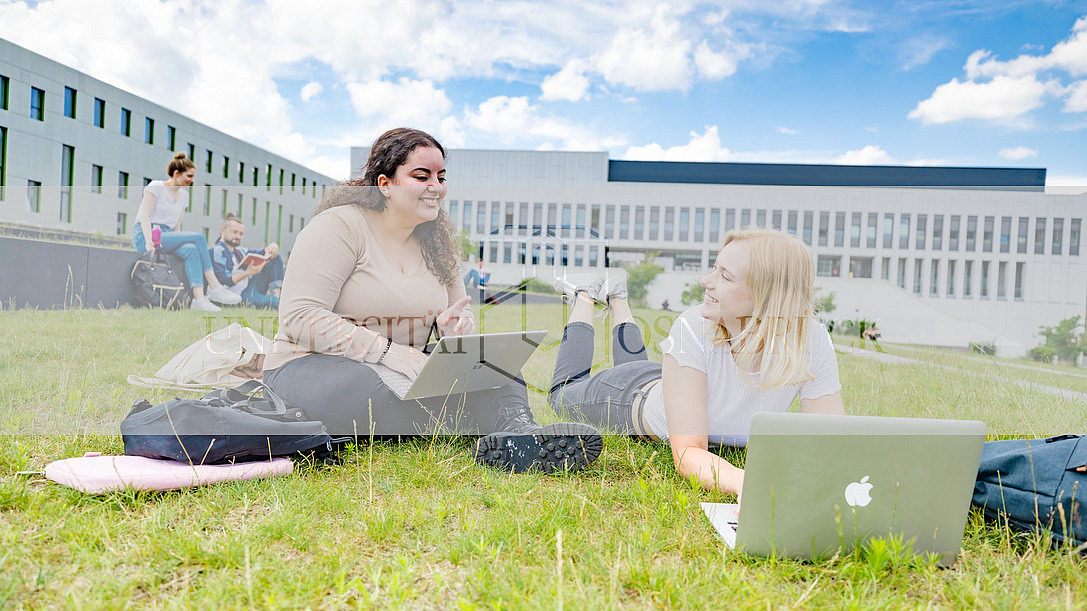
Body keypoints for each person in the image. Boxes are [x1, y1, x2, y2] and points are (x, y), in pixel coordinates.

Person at [262, 127, 602, 473]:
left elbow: (457, 323)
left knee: (497, 369)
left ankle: (520, 433)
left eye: (441, 177)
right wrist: (389, 352)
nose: (435, 186)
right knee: (362, 388)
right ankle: (471, 422)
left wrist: (454, 334)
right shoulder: (340, 226)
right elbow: (300, 316)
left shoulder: (438, 245)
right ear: (385, 184)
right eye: (421, 176)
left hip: (406, 373)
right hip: (314, 364)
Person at [548, 228, 843, 500]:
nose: (706, 281)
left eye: (724, 276)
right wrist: (750, 485)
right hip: (629, 395)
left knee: (644, 368)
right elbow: (689, 451)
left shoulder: (812, 341)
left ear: (768, 296)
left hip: (677, 384)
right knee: (561, 395)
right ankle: (584, 295)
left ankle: (618, 296)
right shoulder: (693, 324)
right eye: (715, 269)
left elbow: (832, 444)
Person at [132, 153, 242, 312]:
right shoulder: (156, 186)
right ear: (176, 174)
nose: (192, 180)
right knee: (198, 238)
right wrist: (149, 240)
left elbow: (176, 227)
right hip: (147, 234)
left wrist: (181, 241)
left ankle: (199, 299)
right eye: (189, 176)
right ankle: (214, 286)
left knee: (191, 249)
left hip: (167, 236)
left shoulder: (184, 196)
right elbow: (145, 215)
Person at [209, 213, 285, 309]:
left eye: (241, 234)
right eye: (234, 232)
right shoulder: (217, 250)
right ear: (223, 231)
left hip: (251, 283)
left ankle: (277, 293)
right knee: (276, 303)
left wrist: (273, 247)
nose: (238, 236)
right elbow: (222, 281)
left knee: (275, 257)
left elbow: (263, 252)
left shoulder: (240, 250)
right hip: (239, 292)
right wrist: (247, 273)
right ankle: (276, 301)